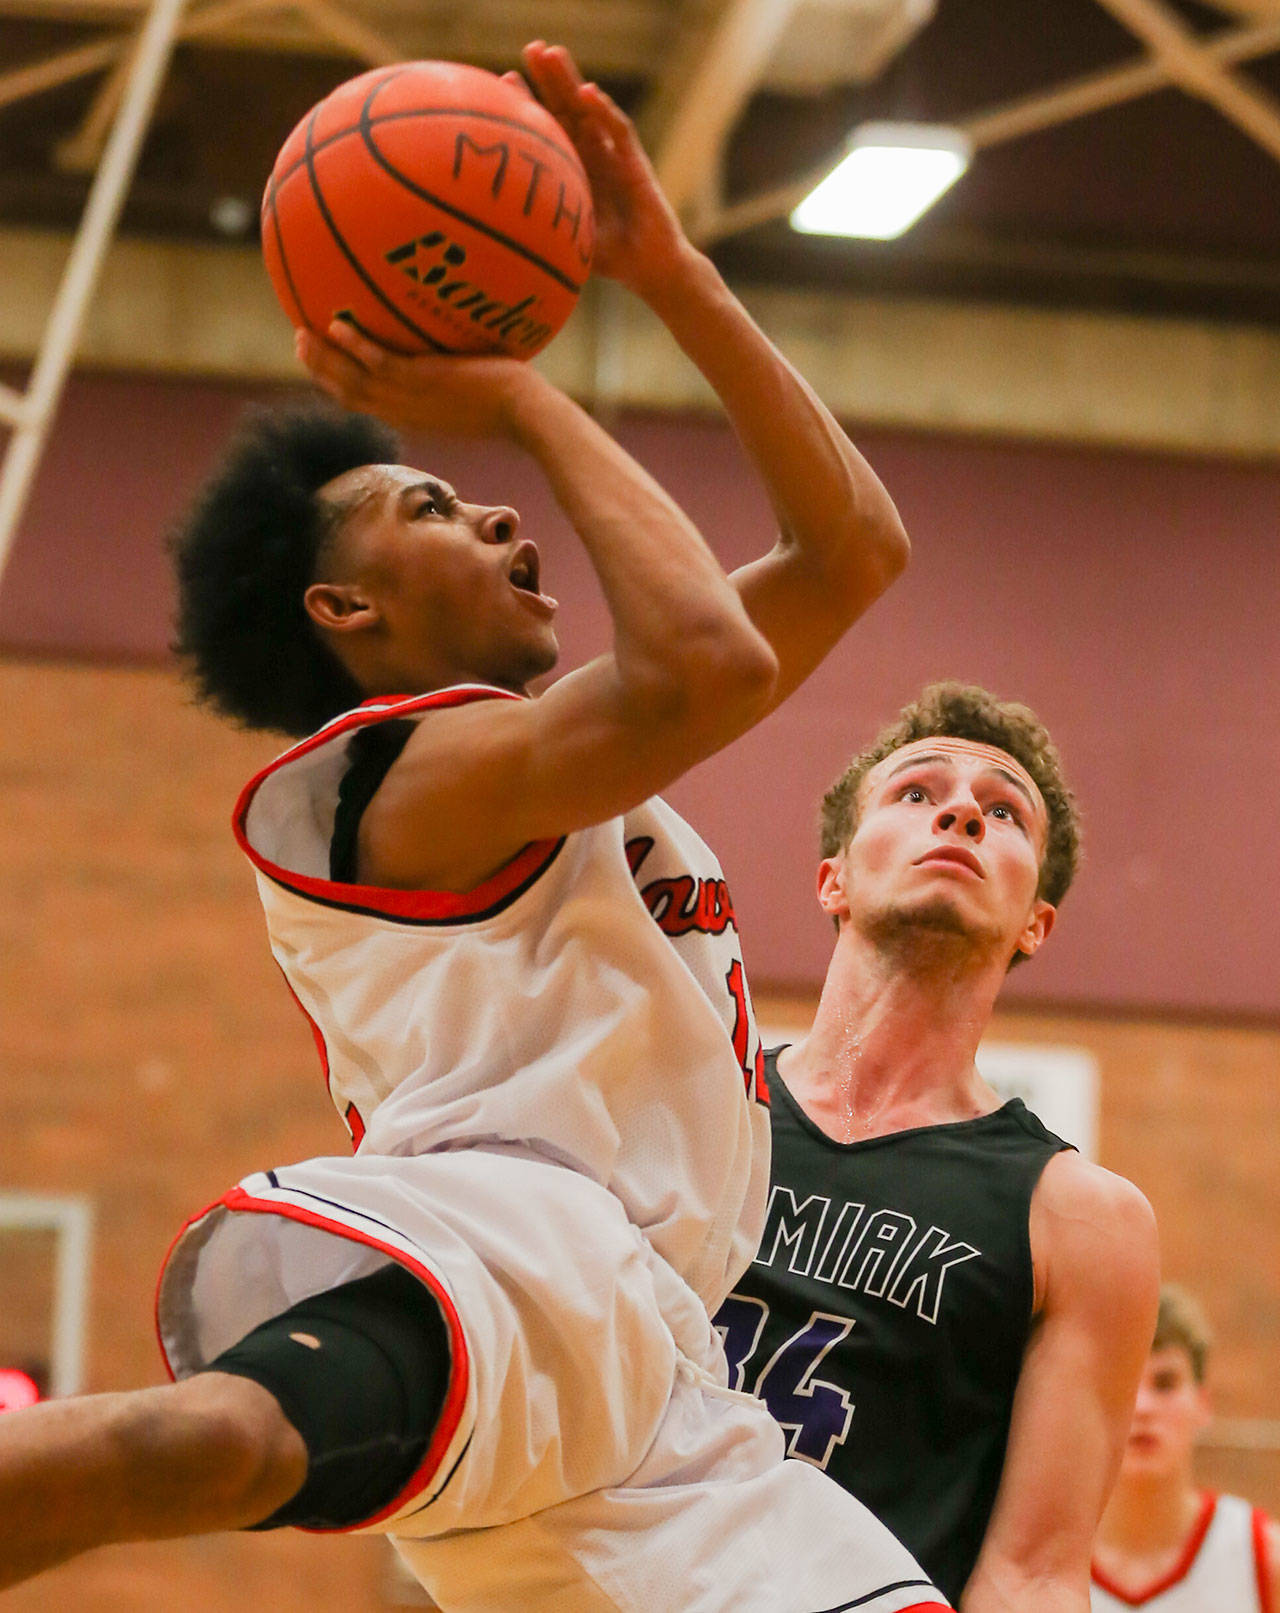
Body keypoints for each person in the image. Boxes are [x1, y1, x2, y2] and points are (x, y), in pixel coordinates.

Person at [0, 41, 952, 1613]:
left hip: (662, 1384)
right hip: (502, 1244)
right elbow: (708, 659)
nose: (502, 512)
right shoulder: (392, 778)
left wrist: (673, 271)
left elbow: (852, 549)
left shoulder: (556, 756)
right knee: (205, 1449)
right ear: (344, 609)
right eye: (435, 506)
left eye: (471, 487)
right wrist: (517, 390)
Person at [715, 682, 1161, 1612]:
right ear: (833, 875)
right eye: (916, 793)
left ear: (1035, 920)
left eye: (1004, 813)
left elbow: (1033, 1574)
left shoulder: (1083, 1220)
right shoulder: (689, 1097)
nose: (961, 810)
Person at [1091, 1284, 1280, 1611]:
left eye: (1164, 1384)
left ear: (1203, 1404)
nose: (1142, 1407)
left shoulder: (1264, 1557)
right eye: (1123, 1381)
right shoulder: (1039, 1560)